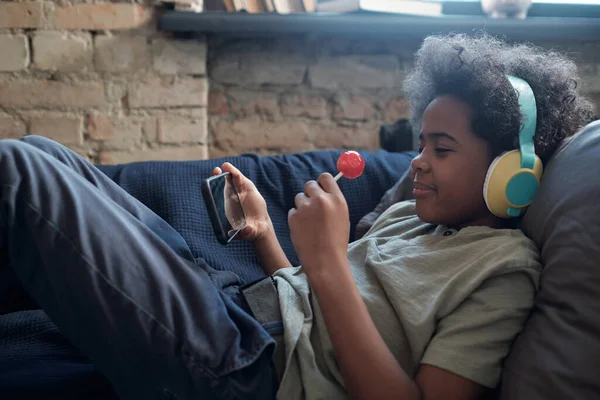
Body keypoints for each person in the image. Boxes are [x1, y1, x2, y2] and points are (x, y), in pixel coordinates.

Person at [0, 33, 594, 400]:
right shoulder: (412, 219)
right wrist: (266, 237)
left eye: (441, 150)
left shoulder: (502, 273)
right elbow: (311, 309)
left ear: (512, 172)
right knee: (48, 154)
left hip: (245, 371)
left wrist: (329, 262)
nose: (417, 163)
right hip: (237, 311)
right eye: (420, 145)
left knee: (20, 169)